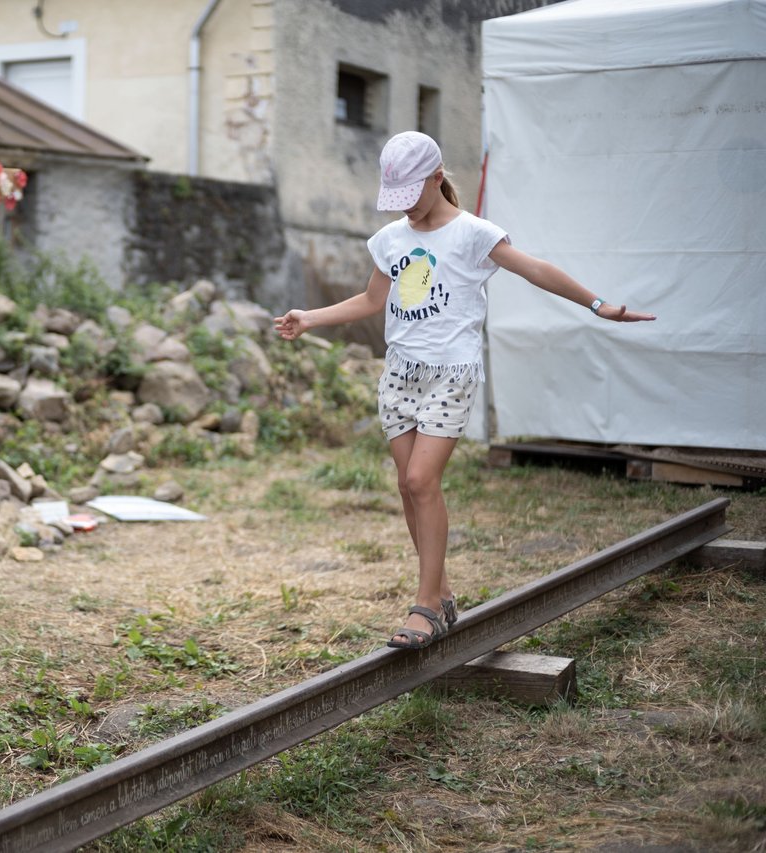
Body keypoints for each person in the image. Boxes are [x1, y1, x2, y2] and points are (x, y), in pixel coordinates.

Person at [273, 131, 656, 650]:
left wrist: (598, 305)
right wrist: (309, 317)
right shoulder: (390, 240)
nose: (405, 206)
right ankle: (442, 592)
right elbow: (371, 300)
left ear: (436, 178)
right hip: (399, 375)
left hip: (450, 374)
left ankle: (426, 605)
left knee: (422, 479)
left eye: (413, 192)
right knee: (408, 487)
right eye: (396, 197)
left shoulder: (475, 234)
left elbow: (536, 270)